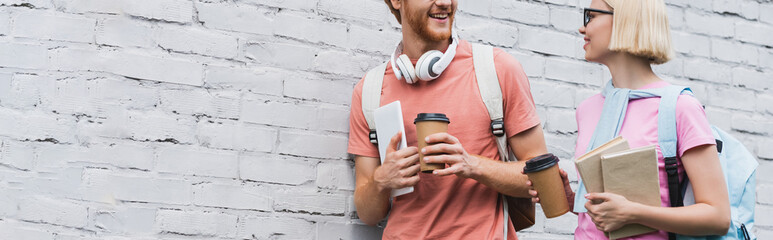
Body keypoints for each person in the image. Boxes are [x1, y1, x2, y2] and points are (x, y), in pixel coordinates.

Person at [528, 0, 731, 239]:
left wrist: (633, 213)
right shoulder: (588, 109)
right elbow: (608, 214)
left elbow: (718, 217)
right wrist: (573, 199)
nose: (583, 28)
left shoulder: (680, 107)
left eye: (591, 16)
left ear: (626, 20)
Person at [347, 0, 548, 239]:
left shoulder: (497, 69)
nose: (444, 2)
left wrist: (472, 165)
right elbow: (369, 214)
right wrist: (382, 180)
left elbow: (544, 180)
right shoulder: (370, 90)